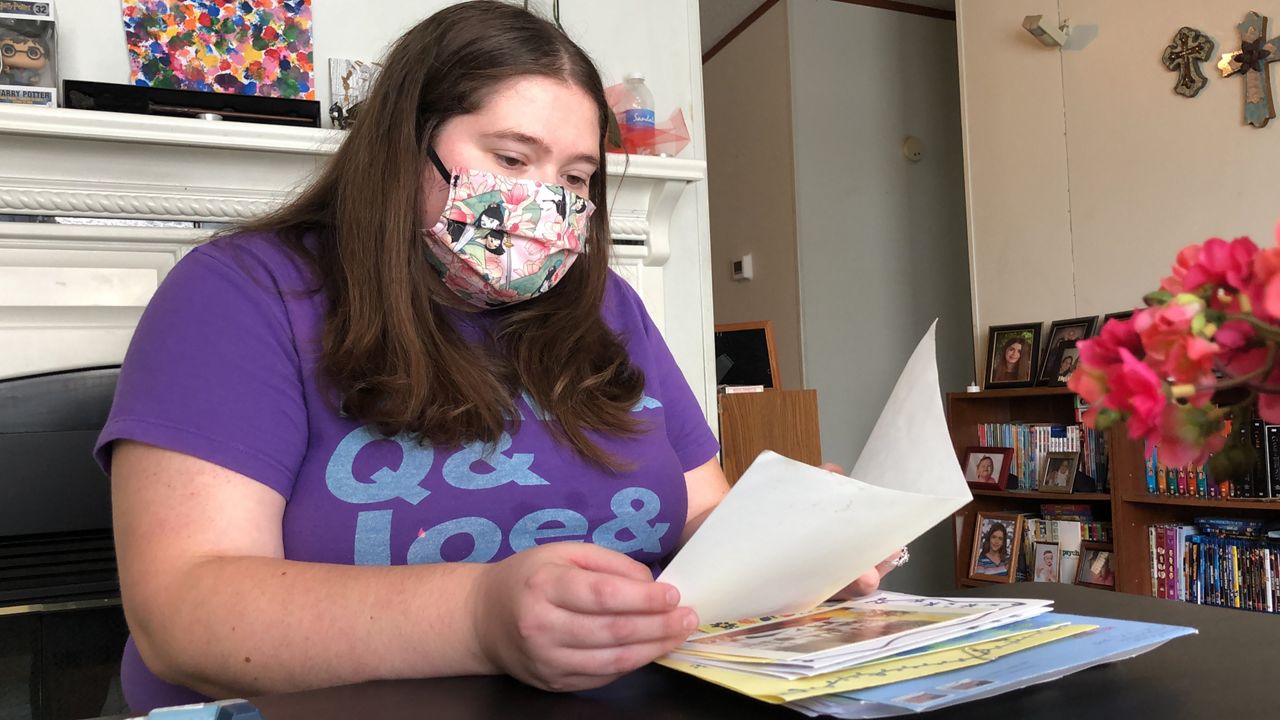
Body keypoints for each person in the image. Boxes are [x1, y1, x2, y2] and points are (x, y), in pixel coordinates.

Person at [94, 3, 902, 713]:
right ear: (405, 145)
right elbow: (183, 611)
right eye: (513, 160)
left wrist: (798, 538)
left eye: (577, 176)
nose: (548, 201)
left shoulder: (609, 308)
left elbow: (696, 516)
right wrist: (480, 616)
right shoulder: (241, 294)